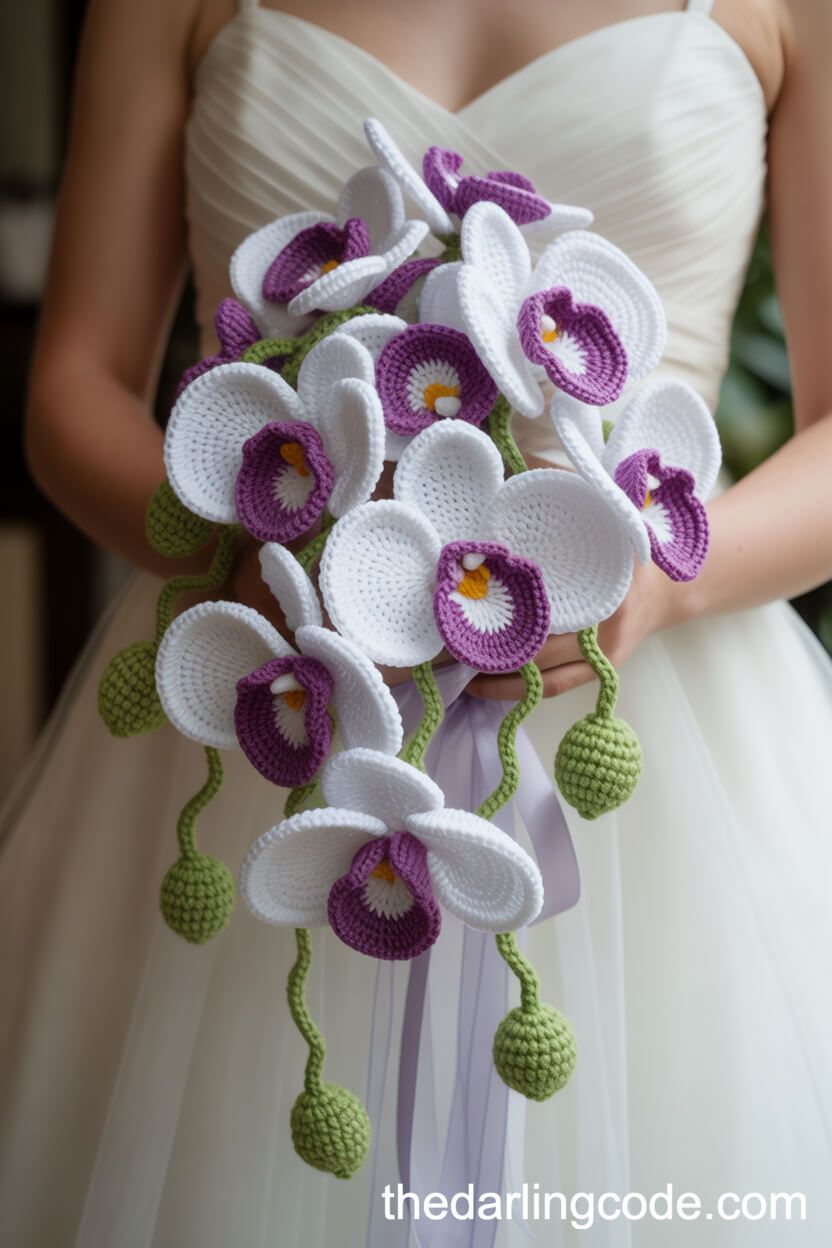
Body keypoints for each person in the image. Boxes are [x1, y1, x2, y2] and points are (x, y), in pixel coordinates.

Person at [3, 0, 832, 1243]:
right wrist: (244, 557)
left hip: (654, 725)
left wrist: (662, 583)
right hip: (269, 690)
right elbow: (74, 383)